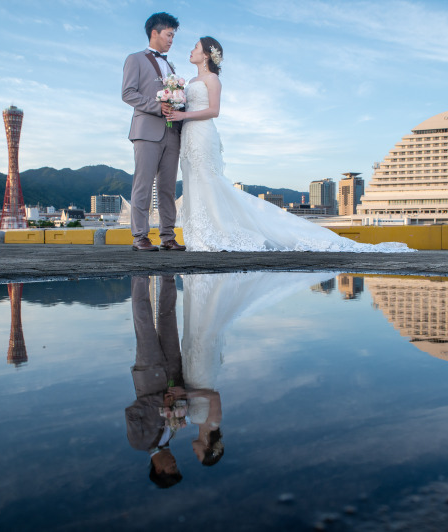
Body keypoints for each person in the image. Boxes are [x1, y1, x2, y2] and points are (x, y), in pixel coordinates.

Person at [165, 38, 414, 252]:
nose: (191, 50)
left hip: (202, 133)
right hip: (188, 134)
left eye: (195, 47)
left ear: (207, 54)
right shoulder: (190, 81)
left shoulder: (212, 80)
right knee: (193, 181)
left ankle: (217, 235)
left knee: (209, 181)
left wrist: (183, 115)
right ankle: (199, 237)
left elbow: (214, 111)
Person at [121, 12, 186, 252]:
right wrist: (156, 107)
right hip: (147, 130)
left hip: (172, 132)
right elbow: (128, 93)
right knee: (143, 184)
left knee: (168, 188)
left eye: (173, 35)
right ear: (155, 33)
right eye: (169, 34)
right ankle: (140, 236)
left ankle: (168, 236)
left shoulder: (170, 65)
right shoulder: (135, 59)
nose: (171, 39)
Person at [125, 276, 186, 488]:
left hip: (149, 373)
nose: (174, 463)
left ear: (158, 469)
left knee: (143, 320)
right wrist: (179, 396)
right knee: (169, 317)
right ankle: (167, 275)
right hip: (172, 372)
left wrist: (161, 402)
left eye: (171, 468)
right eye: (176, 466)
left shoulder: (139, 442)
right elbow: (177, 402)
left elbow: (132, 412)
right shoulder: (173, 433)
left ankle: (141, 275)